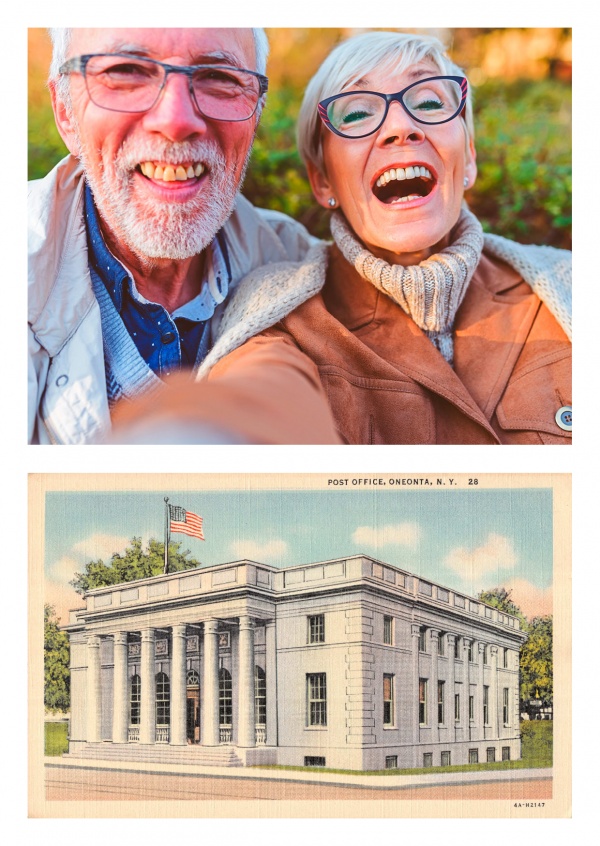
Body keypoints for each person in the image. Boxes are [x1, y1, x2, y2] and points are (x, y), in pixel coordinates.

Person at [192, 30, 571, 445]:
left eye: (429, 103)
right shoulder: (278, 317)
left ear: (470, 158)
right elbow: (257, 403)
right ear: (322, 181)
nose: (401, 127)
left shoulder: (568, 286)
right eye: (356, 114)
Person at [28, 27, 339, 444]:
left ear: (256, 113)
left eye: (219, 78)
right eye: (126, 72)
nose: (175, 121)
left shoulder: (299, 266)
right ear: (65, 111)